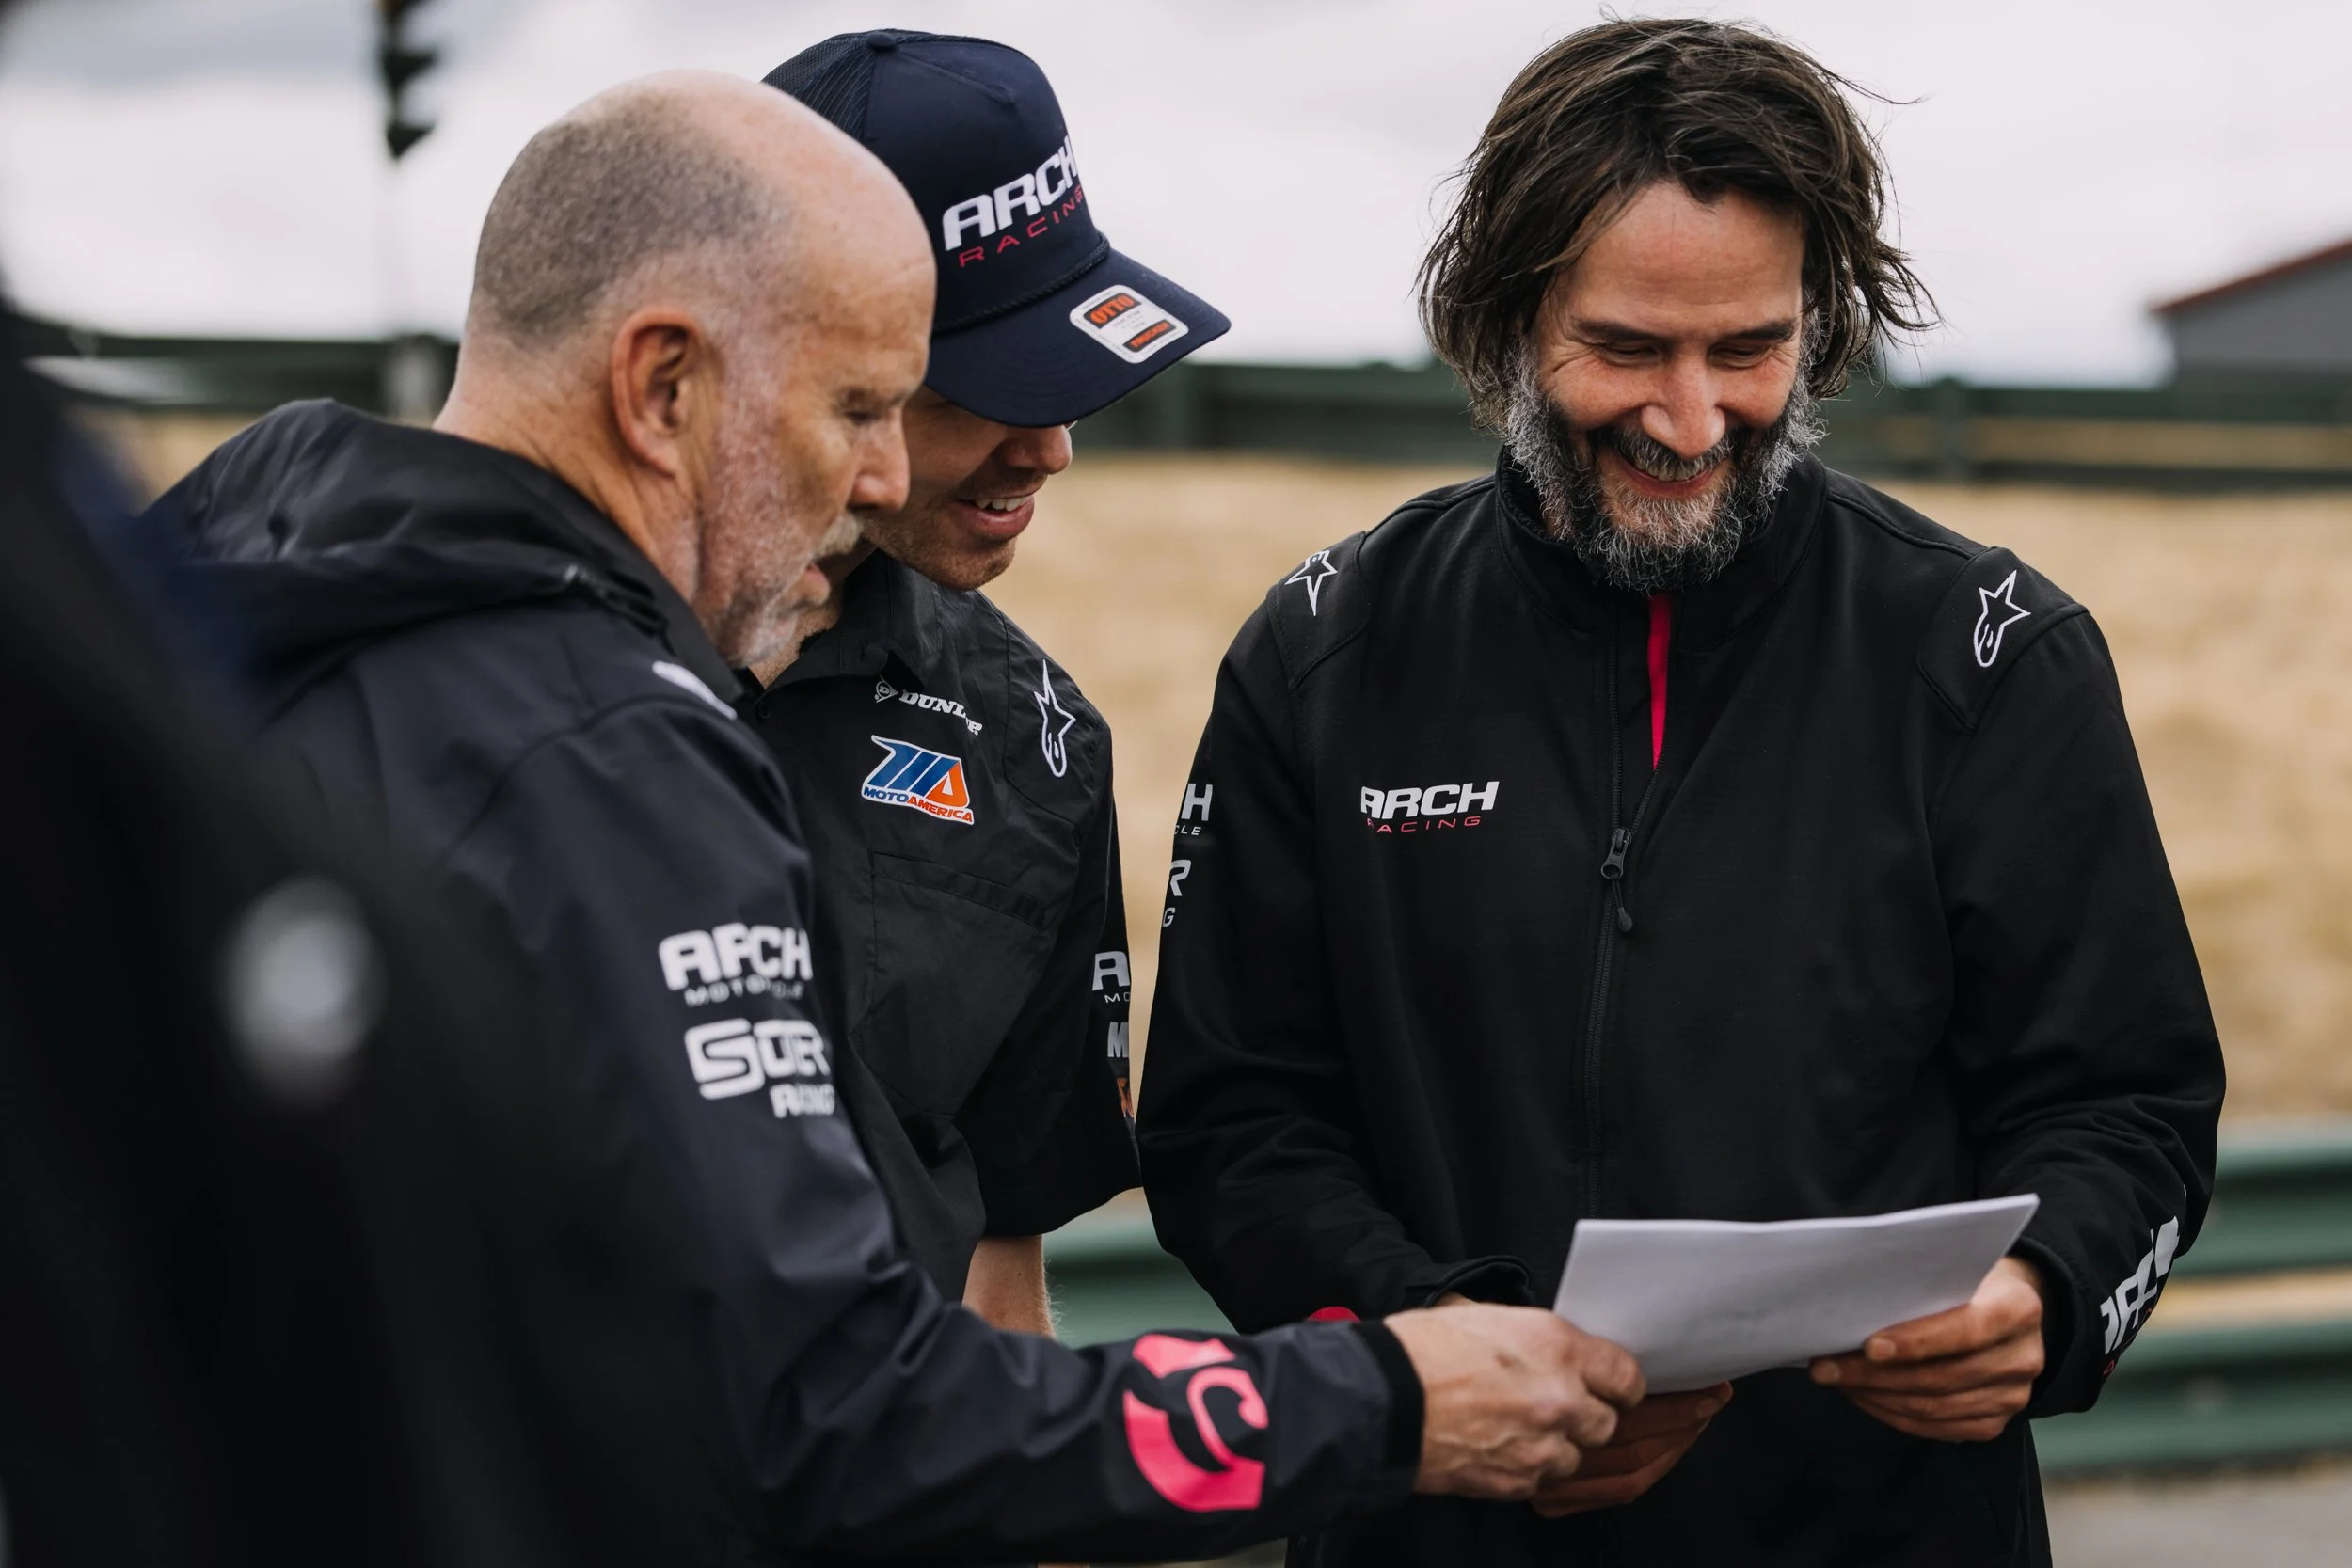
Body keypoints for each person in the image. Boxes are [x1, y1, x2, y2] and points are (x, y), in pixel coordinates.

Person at [151, 71, 1646, 1564]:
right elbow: (829, 1404)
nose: (879, 475)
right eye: (865, 403)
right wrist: (1381, 1400)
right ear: (663, 386)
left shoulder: (147, 616)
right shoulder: (612, 751)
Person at [1137, 19, 2226, 1567]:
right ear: (1504, 322)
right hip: (1439, 1523)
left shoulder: (1992, 654)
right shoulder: (1324, 655)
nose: (1693, 418)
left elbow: (2130, 1103)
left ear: (1820, 326)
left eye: (1749, 349)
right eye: (1628, 349)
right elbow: (1231, 1124)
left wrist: (2047, 1288)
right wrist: (1439, 1356)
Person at [740, 30, 1225, 1323]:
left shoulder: (1036, 742)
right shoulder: (503, 672)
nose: (1050, 448)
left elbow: (1000, 1267)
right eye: (985, 388)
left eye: (1066, 378)